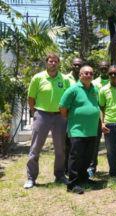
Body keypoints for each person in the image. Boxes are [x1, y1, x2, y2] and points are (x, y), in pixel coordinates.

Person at [24, 53, 70, 189]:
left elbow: (68, 98)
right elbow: (30, 98)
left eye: (56, 61)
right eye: (51, 61)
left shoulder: (64, 79)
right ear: (46, 62)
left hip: (59, 116)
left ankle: (60, 175)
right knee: (35, 148)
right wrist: (35, 112)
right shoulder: (38, 78)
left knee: (60, 149)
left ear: (59, 63)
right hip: (42, 115)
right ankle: (31, 178)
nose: (53, 64)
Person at [59, 65, 100, 194]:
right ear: (80, 75)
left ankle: (83, 178)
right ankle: (73, 184)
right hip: (77, 130)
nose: (89, 75)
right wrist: (74, 118)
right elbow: (62, 108)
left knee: (87, 157)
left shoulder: (95, 89)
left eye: (91, 73)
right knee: (76, 157)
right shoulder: (73, 90)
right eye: (86, 73)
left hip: (92, 130)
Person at [88, 60, 110, 178]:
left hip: (111, 118)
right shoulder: (94, 83)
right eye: (101, 67)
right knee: (94, 145)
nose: (104, 69)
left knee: (113, 146)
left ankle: (115, 169)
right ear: (99, 68)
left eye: (106, 67)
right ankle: (92, 168)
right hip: (96, 119)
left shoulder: (115, 81)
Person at [64, 57, 83, 174]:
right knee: (67, 143)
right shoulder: (66, 79)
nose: (77, 67)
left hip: (81, 118)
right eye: (75, 65)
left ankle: (79, 168)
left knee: (79, 144)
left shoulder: (85, 79)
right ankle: (66, 168)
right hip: (68, 116)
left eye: (79, 65)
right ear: (71, 65)